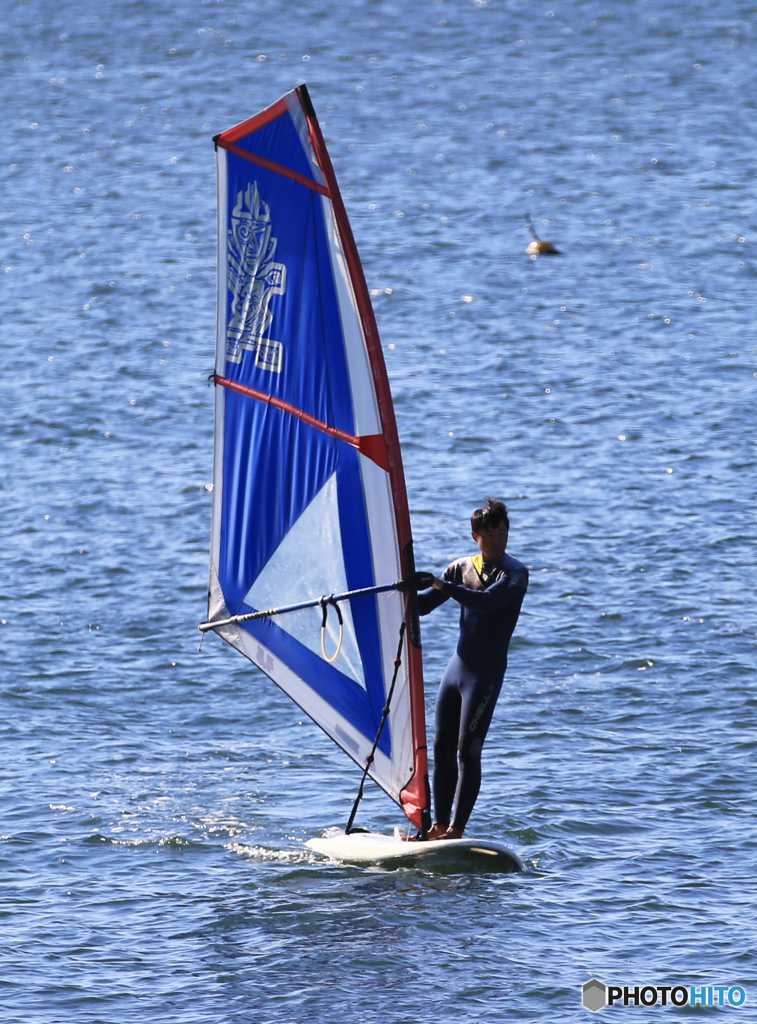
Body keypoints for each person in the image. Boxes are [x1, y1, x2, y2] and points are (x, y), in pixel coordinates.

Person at [417, 498, 528, 841]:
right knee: (441, 748)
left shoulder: (515, 573)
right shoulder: (461, 568)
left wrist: (439, 583)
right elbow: (422, 607)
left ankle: (456, 830)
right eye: (489, 534)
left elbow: (485, 602)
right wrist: (399, 589)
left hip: (485, 674)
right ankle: (437, 827)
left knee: (468, 750)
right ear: (474, 536)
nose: (496, 539)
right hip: (456, 670)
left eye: (502, 532)